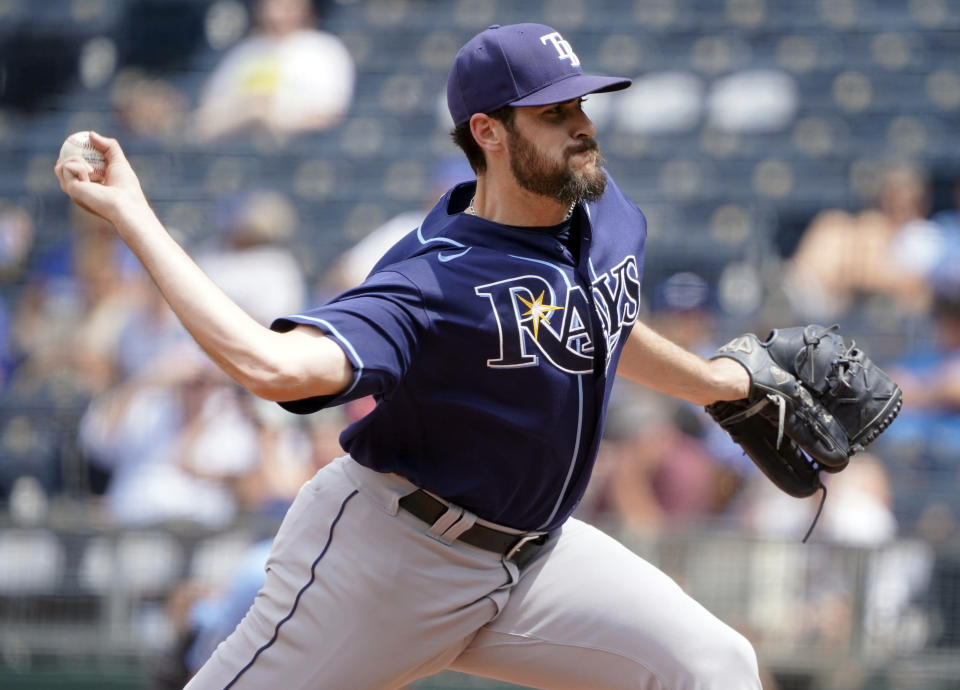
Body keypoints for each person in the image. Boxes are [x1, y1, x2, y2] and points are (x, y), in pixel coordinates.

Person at [57, 23, 762, 689]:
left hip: (537, 560)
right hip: (394, 557)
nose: (581, 124)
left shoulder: (606, 213)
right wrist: (132, 215)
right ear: (488, 132)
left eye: (580, 102)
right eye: (552, 112)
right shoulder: (431, 279)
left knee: (714, 664)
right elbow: (273, 367)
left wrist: (714, 386)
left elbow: (596, 324)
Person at [191, 0, 355, 144]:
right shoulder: (243, 53)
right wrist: (249, 113)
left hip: (299, 152)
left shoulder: (323, 49)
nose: (282, 10)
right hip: (239, 148)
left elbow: (329, 116)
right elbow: (205, 122)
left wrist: (270, 117)